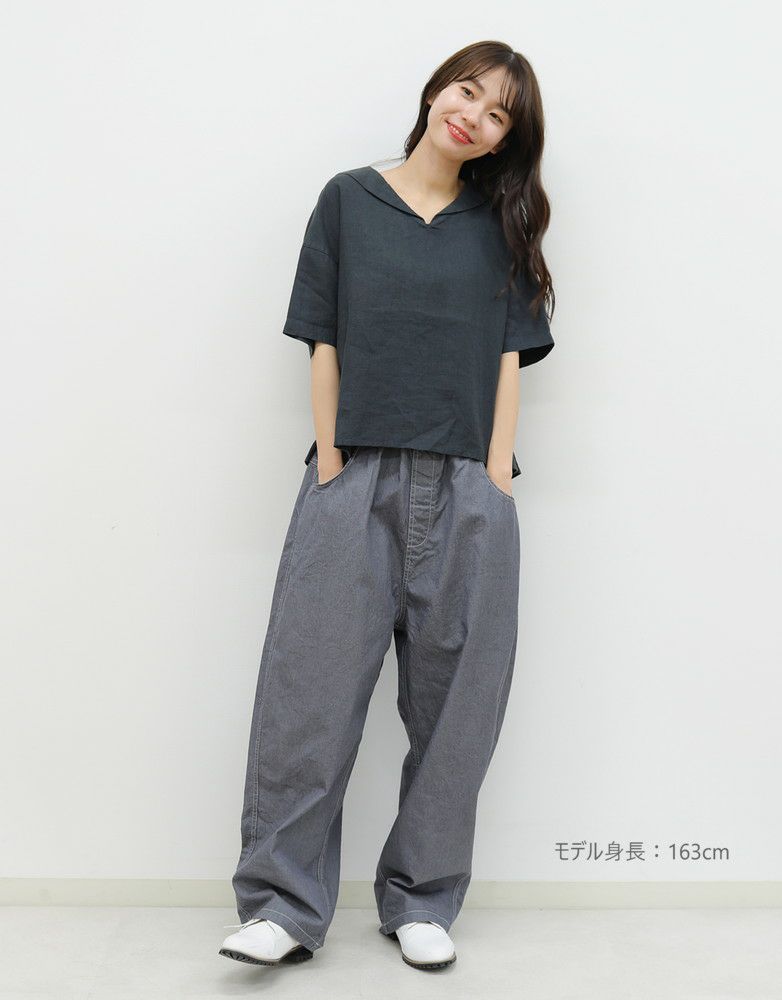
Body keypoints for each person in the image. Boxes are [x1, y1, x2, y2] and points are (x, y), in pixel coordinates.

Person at [219, 39, 555, 972]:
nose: (474, 116)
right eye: (468, 92)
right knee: (309, 696)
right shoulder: (347, 200)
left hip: (469, 488)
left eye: (498, 114)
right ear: (437, 90)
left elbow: (509, 356)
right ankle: (282, 907)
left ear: (504, 141)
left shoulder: (502, 228)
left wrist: (496, 474)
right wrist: (331, 458)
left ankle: (421, 898)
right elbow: (321, 337)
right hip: (353, 477)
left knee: (458, 709)